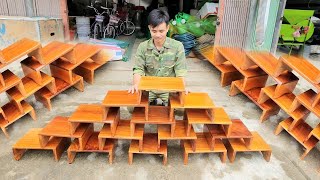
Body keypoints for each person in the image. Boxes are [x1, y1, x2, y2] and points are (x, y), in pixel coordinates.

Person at [128, 9, 187, 105]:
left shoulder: (178, 46)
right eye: (154, 31)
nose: (158, 35)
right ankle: (152, 101)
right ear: (149, 28)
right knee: (131, 107)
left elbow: (180, 71)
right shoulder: (143, 47)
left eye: (161, 31)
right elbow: (138, 69)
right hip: (148, 89)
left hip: (169, 89)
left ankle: (165, 102)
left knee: (180, 109)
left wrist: (182, 88)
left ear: (168, 28)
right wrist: (135, 85)